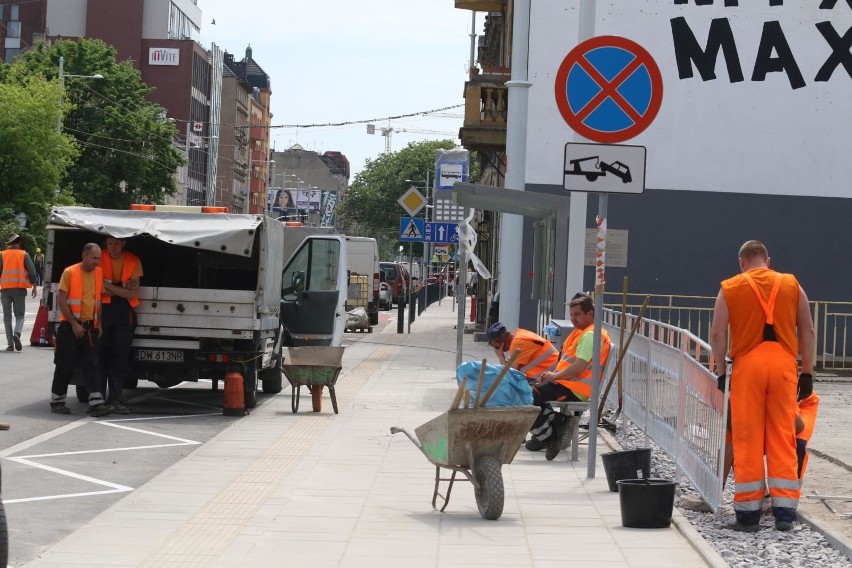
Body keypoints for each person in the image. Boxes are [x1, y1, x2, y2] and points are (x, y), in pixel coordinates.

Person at [711, 240, 814, 532]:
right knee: (782, 435)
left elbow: (718, 333)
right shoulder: (791, 284)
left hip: (747, 368)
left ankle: (748, 515)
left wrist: (721, 372)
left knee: (747, 437)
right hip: (783, 366)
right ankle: (784, 514)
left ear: (741, 262)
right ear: (767, 260)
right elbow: (807, 329)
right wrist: (807, 373)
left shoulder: (730, 287)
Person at [528, 294, 612, 457]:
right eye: (572, 315)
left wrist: (553, 377)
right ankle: (556, 422)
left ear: (591, 314)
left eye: (577, 315)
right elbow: (565, 361)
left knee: (525, 397)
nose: (573, 319)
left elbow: (576, 370)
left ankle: (551, 435)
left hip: (573, 387)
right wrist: (551, 375)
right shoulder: (581, 332)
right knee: (524, 389)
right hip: (565, 383)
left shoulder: (590, 336)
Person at [50, 243, 111, 417]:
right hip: (70, 327)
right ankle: (57, 401)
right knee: (65, 365)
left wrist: (98, 323)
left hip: (90, 327)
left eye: (99, 258)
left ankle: (96, 403)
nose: (97, 262)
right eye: (94, 258)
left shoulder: (98, 273)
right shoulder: (70, 272)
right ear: (84, 255)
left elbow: (97, 299)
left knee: (93, 365)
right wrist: (74, 324)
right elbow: (61, 300)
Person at [98, 237, 143, 414]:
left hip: (124, 313)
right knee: (99, 356)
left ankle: (115, 399)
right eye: (110, 243)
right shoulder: (98, 257)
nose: (113, 247)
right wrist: (121, 289)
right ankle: (99, 399)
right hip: (102, 311)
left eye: (117, 243)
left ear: (123, 243)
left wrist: (108, 286)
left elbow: (133, 293)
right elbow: (95, 287)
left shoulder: (133, 260)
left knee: (119, 357)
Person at [1, 234, 38, 352]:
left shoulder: (2, 254)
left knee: (7, 318)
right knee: (20, 316)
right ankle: (17, 333)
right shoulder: (24, 254)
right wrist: (35, 286)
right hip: (19, 289)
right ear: (19, 242)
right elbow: (32, 272)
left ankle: (10, 345)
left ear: (9, 243)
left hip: (5, 289)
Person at [486, 321, 560, 380]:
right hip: (552, 371)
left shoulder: (517, 344)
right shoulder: (520, 335)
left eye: (493, 345)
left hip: (552, 375)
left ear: (497, 342)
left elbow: (509, 373)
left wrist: (500, 356)